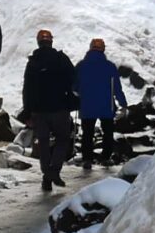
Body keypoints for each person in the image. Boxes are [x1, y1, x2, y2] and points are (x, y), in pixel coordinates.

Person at [20, 28, 79, 191]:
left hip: (39, 111)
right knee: (62, 139)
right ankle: (54, 172)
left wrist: (27, 111)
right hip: (60, 108)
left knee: (44, 143)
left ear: (39, 42)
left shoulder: (33, 62)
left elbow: (27, 89)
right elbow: (74, 79)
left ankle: (47, 175)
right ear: (51, 41)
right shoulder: (61, 58)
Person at [75, 37, 128, 172]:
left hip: (87, 105)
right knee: (108, 132)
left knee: (87, 133)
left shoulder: (81, 65)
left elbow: (74, 86)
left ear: (90, 48)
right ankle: (105, 157)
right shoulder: (109, 66)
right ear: (103, 49)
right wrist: (123, 104)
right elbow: (116, 87)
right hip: (106, 106)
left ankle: (87, 159)